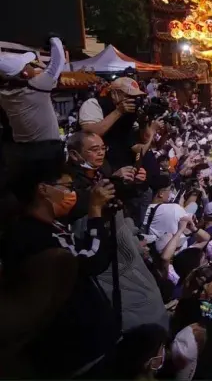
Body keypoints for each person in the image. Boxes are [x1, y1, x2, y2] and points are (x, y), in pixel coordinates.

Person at [0, 158, 119, 377]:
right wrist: (94, 210)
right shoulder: (27, 235)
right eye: (67, 187)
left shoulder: (54, 224)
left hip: (89, 343)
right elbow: (91, 261)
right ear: (43, 189)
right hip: (72, 352)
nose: (72, 193)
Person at [0, 37, 67, 168]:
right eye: (29, 64)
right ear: (24, 73)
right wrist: (54, 40)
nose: (33, 65)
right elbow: (58, 62)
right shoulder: (36, 87)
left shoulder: (3, 93)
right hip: (46, 149)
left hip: (21, 150)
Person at [78, 77, 154, 169]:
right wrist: (118, 112)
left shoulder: (131, 113)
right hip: (99, 165)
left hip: (124, 164)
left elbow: (143, 140)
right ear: (114, 94)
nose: (133, 100)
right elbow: (91, 134)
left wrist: (144, 121)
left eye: (135, 97)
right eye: (129, 96)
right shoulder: (93, 104)